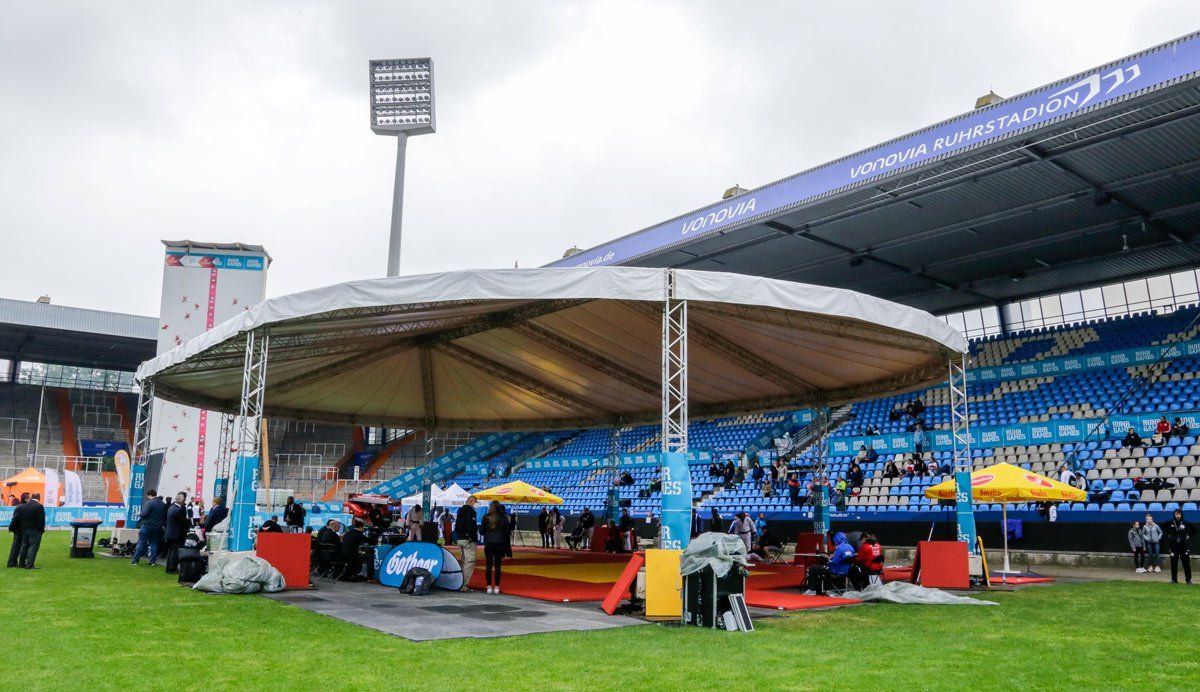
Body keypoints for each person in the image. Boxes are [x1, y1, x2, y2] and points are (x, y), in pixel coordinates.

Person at [131, 490, 167, 566]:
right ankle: (153, 561)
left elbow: (144, 514)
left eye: (147, 496)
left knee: (141, 542)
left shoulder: (150, 503)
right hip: (158, 527)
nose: (147, 498)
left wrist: (139, 514)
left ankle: (135, 560)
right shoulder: (162, 504)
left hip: (147, 526)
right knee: (154, 544)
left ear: (150, 495)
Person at [481, 500, 507, 594]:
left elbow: (482, 532)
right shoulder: (503, 518)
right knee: (497, 566)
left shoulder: (486, 517)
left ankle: (488, 586)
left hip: (489, 543)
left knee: (488, 565)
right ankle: (497, 587)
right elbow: (506, 533)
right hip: (500, 543)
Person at [13, 493, 45, 569]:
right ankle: (30, 564)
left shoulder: (25, 505)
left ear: (31, 497)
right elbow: (41, 520)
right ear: (39, 497)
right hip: (35, 530)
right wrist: (41, 529)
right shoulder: (39, 506)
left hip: (25, 529)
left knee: (24, 546)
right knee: (33, 547)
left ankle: (21, 563)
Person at [1163, 509, 1194, 585]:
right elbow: (1163, 527)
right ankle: (1174, 580)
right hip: (1173, 546)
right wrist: (1169, 535)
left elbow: (1194, 530)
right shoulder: (1170, 522)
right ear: (1174, 514)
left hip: (1183, 546)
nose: (1177, 515)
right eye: (1176, 514)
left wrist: (1188, 536)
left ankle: (1188, 580)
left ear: (1181, 515)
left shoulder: (1185, 523)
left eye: (1179, 514)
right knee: (1173, 563)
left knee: (1186, 563)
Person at [454, 496, 478, 591]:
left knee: (463, 561)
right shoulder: (471, 512)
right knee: (469, 562)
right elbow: (470, 526)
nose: (476, 504)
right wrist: (470, 537)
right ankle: (463, 585)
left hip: (459, 538)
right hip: (468, 539)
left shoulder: (460, 510)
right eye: (475, 502)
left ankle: (459, 582)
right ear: (471, 501)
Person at [164, 492, 191, 574]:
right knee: (175, 552)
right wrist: (188, 521)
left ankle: (169, 568)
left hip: (170, 533)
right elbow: (183, 522)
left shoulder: (171, 508)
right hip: (177, 534)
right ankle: (172, 568)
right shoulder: (178, 510)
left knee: (171, 551)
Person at [6, 493, 28, 568]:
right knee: (16, 546)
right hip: (19, 530)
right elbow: (15, 519)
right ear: (25, 499)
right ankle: (12, 563)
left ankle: (16, 562)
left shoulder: (21, 507)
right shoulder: (20, 507)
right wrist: (11, 528)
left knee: (18, 546)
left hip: (20, 529)